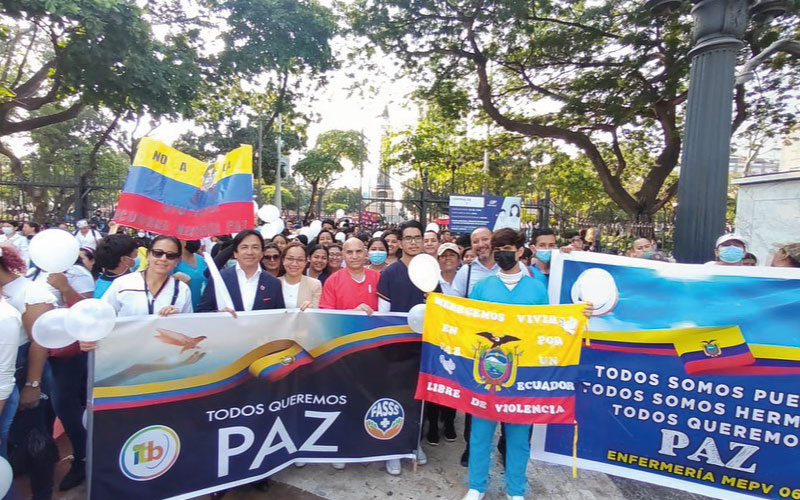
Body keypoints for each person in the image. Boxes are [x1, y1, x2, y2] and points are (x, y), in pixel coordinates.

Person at [461, 228, 560, 500]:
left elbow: (548, 329)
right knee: (480, 434)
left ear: (519, 251)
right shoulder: (482, 288)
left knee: (518, 437)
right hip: (486, 372)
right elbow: (468, 325)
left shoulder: (536, 289)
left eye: (507, 249)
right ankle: (476, 486)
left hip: (522, 374)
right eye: (498, 249)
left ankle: (516, 489)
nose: (502, 254)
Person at [0, 244, 58, 500]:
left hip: (28, 370)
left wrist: (32, 385)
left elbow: (40, 341)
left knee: (37, 437)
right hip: (9, 367)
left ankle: (42, 492)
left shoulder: (31, 291)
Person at [377, 220, 431, 475]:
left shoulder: (432, 272)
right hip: (396, 348)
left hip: (424, 348)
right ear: (399, 242)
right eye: (407, 237)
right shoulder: (389, 273)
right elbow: (383, 315)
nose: (412, 242)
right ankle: (393, 449)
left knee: (418, 399)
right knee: (395, 397)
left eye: (417, 237)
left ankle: (412, 444)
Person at [101, 236, 193, 317]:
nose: (163, 259)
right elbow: (102, 315)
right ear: (148, 255)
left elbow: (186, 327)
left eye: (171, 255)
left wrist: (177, 318)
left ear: (177, 260)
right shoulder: (123, 284)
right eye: (158, 253)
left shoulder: (182, 290)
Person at [197, 229, 285, 313]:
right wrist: (219, 314)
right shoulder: (220, 279)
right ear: (235, 253)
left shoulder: (273, 283)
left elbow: (280, 318)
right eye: (244, 247)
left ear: (262, 253)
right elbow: (202, 312)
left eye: (255, 247)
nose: (249, 252)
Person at [320, 238, 380, 313]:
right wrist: (353, 314)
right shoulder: (332, 281)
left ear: (366, 253)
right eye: (349, 252)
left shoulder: (378, 278)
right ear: (343, 255)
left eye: (358, 251)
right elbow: (327, 315)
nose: (355, 256)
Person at [452, 227, 498, 299]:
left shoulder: (509, 267)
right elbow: (454, 301)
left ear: (494, 241)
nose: (481, 245)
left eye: (485, 239)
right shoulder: (466, 271)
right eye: (475, 242)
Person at [93, 233, 139, 298]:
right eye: (136, 254)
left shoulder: (101, 281)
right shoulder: (110, 291)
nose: (138, 257)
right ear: (124, 259)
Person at [278, 242, 321, 310]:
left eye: (300, 260)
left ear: (306, 262)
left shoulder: (314, 284)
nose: (294, 264)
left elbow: (317, 313)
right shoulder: (274, 283)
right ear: (283, 260)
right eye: (290, 259)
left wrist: (311, 308)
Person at [172, 240, 208, 310]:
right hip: (183, 309)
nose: (194, 241)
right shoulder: (174, 262)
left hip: (203, 309)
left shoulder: (202, 259)